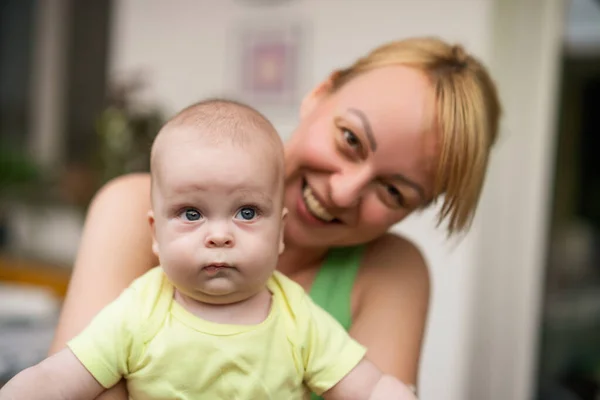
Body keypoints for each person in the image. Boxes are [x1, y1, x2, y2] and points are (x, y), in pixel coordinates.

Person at [49, 36, 501, 400]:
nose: (343, 191)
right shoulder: (129, 207)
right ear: (321, 93)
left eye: (393, 191)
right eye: (350, 139)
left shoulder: (393, 272)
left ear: (414, 210)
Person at [0, 100, 418, 400]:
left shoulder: (298, 318)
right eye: (192, 213)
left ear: (280, 234)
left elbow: (366, 385)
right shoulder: (140, 310)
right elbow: (60, 378)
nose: (219, 235)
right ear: (156, 235)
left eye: (248, 212)